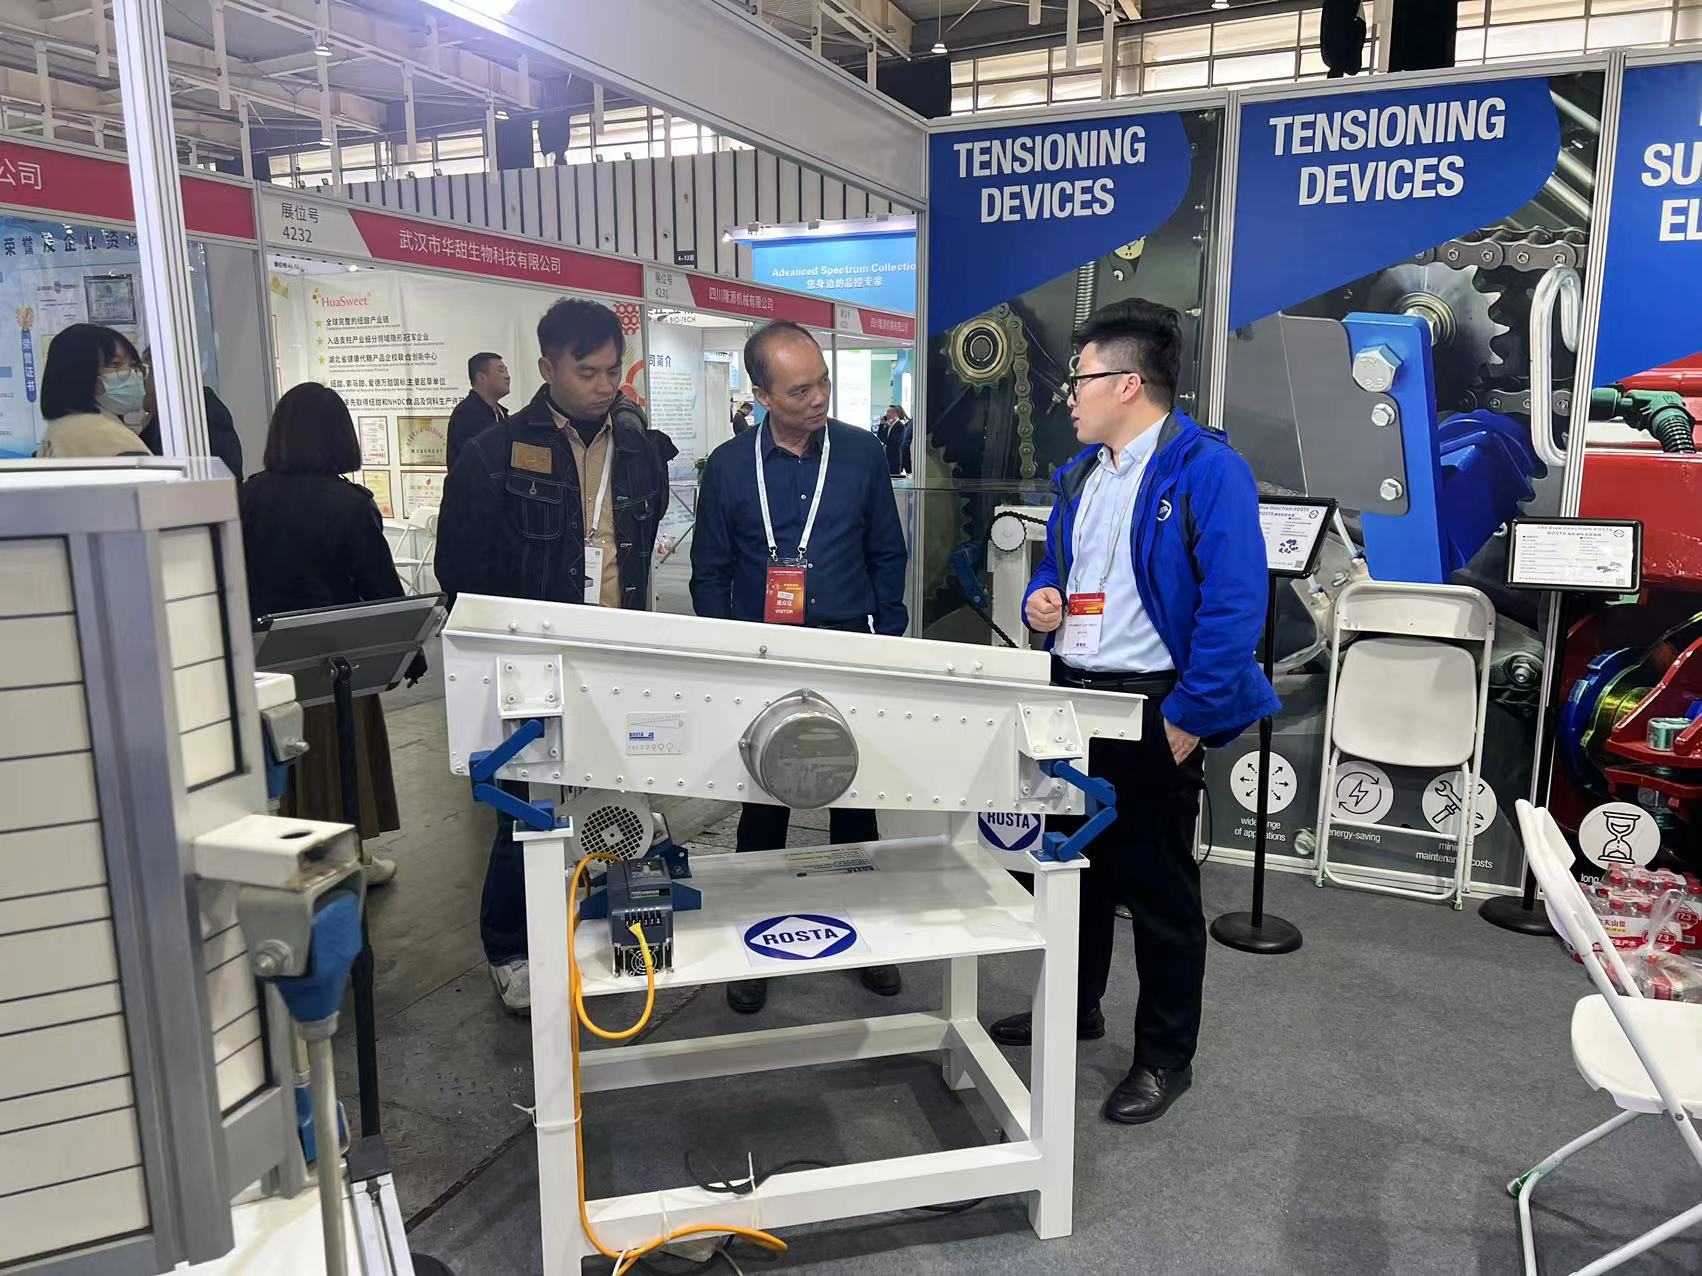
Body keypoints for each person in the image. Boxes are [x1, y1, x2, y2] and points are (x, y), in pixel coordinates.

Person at [987, 299, 1276, 1126]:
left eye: (1079, 379)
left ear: (1126, 383)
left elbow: (1234, 604)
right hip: (1075, 699)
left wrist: (1189, 716)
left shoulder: (1207, 470)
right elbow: (1061, 568)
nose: (1068, 397)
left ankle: (1163, 1056)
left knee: (1158, 894)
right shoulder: (1083, 475)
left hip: (1154, 709)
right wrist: (1044, 599)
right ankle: (1074, 1007)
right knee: (1071, 871)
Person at [436, 298, 677, 1014]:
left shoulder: (638, 448)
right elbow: (460, 570)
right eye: (587, 372)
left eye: (612, 371)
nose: (604, 386)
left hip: (617, 650)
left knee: (625, 791)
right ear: (547, 368)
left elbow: (640, 544)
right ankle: (511, 947)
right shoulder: (495, 454)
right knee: (527, 808)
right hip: (531, 664)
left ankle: (612, 920)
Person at [690, 320, 909, 1015]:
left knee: (854, 798)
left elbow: (887, 551)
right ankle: (755, 942)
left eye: (823, 384)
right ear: (761, 395)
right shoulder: (729, 466)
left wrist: (886, 638)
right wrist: (726, 654)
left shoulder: (861, 453)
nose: (818, 399)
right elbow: (710, 569)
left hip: (846, 644)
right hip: (760, 654)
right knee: (760, 803)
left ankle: (864, 934)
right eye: (799, 390)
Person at [239, 383, 426, 887]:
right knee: (336, 759)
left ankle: (281, 860)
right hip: (333, 656)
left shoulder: (247, 496)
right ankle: (341, 862)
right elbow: (381, 590)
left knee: (277, 764)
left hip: (258, 658)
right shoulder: (349, 504)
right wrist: (411, 653)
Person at [35, 323, 151, 458]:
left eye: (133, 365)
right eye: (115, 364)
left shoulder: (61, 428)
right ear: (78, 374)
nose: (132, 373)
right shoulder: (104, 435)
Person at [136, 347, 244, 479]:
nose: (140, 381)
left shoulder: (198, 407)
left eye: (144, 373)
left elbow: (225, 471)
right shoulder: (160, 417)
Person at [446, 352, 511, 470]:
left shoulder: (500, 412)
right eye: (501, 371)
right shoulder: (466, 414)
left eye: (506, 371)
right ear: (481, 377)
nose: (507, 376)